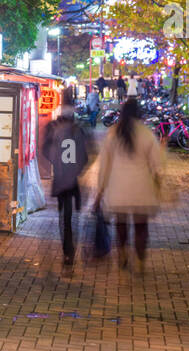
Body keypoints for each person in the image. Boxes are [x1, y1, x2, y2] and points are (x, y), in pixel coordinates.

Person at [95, 96, 163, 274]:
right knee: (141, 228)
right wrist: (158, 185)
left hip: (119, 191)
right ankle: (140, 260)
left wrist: (100, 192)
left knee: (121, 226)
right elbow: (157, 165)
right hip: (142, 189)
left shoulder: (113, 134)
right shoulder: (146, 133)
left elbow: (104, 166)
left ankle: (123, 253)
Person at [41, 87, 94, 271]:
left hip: (60, 179)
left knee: (64, 217)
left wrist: (56, 162)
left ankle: (67, 250)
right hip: (74, 181)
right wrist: (78, 169)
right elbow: (86, 156)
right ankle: (71, 250)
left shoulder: (54, 128)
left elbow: (46, 150)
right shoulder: (78, 130)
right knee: (73, 218)